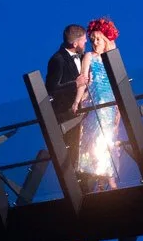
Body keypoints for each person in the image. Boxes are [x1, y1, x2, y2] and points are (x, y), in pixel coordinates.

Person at [78, 17, 122, 191]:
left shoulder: (111, 58)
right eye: (93, 39)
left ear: (105, 39)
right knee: (96, 140)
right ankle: (108, 180)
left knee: (109, 139)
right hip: (96, 104)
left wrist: (118, 108)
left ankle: (105, 181)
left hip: (111, 105)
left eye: (99, 39)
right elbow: (84, 80)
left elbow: (118, 82)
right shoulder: (89, 56)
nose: (95, 42)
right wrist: (78, 100)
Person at [44, 24, 89, 173]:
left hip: (85, 114)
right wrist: (75, 84)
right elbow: (51, 89)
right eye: (84, 40)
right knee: (72, 157)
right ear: (75, 43)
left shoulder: (84, 57)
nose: (86, 43)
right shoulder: (57, 60)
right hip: (67, 117)